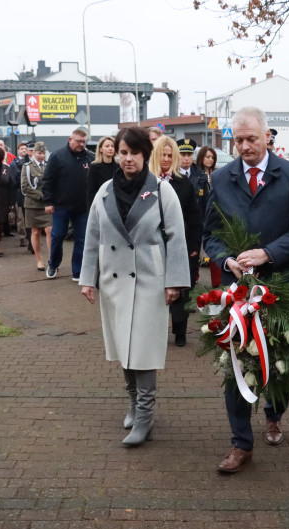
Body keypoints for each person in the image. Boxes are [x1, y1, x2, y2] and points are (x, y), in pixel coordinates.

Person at [201, 106, 289, 474]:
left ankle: (274, 414)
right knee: (234, 364)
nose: (245, 147)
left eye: (252, 139)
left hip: (280, 286)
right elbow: (210, 235)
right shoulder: (221, 178)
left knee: (279, 364)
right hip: (236, 293)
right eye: (238, 140)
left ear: (268, 136)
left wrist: (268, 253)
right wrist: (225, 259)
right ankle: (240, 443)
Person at [79, 127, 190, 447]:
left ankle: (144, 416)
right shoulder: (104, 191)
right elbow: (92, 237)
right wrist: (88, 278)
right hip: (113, 280)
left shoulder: (161, 191)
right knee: (122, 347)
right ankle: (133, 405)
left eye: (134, 153)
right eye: (123, 152)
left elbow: (176, 238)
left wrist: (175, 282)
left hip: (149, 281)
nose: (128, 158)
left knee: (142, 349)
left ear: (145, 155)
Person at [150, 136, 202, 347]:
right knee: (154, 290)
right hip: (152, 246)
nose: (166, 159)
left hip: (179, 245)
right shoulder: (145, 182)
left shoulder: (184, 183)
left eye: (171, 156)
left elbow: (194, 218)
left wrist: (193, 247)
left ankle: (180, 331)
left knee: (179, 290)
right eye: (163, 154)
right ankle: (155, 330)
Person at [42, 126, 94, 279]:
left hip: (82, 206)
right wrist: (48, 201)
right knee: (57, 235)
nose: (81, 145)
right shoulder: (57, 156)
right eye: (78, 141)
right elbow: (47, 180)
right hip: (61, 205)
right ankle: (53, 264)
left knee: (82, 238)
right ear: (70, 140)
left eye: (84, 142)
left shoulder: (90, 158)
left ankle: (77, 271)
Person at [22, 141, 51, 271]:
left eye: (43, 153)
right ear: (33, 153)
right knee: (35, 231)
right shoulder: (27, 167)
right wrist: (41, 195)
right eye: (39, 153)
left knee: (50, 230)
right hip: (33, 204)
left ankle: (52, 258)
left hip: (47, 205)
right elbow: (25, 187)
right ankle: (39, 259)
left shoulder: (48, 165)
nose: (41, 156)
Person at [177, 138, 210, 218]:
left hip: (197, 222)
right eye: (183, 155)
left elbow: (206, 204)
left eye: (189, 155)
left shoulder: (201, 176)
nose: (186, 158)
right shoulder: (170, 175)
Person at [87, 135, 118, 204]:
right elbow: (91, 192)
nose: (110, 148)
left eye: (112, 146)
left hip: (116, 205)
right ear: (100, 149)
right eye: (107, 146)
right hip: (100, 203)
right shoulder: (94, 167)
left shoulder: (118, 167)